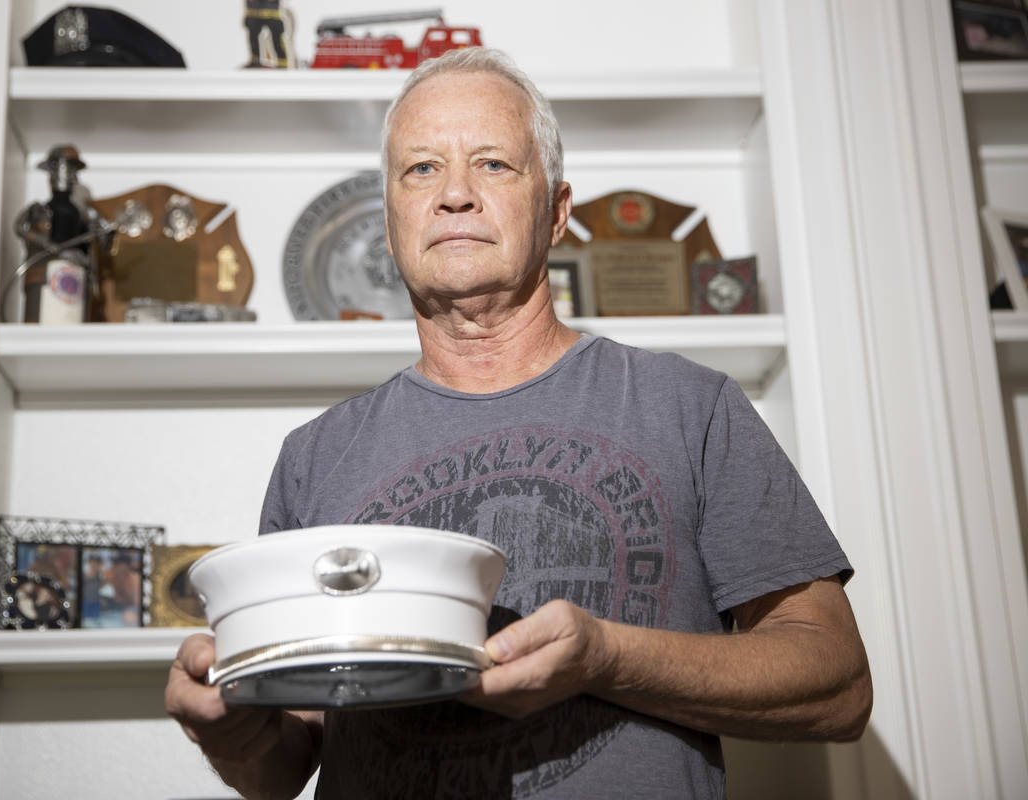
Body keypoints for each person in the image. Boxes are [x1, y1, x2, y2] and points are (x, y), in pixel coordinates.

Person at [165, 47, 872, 799]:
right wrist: (230, 733)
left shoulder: (690, 406)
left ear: (558, 211)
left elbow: (838, 686)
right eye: (421, 169)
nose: (455, 194)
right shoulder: (314, 456)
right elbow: (284, 764)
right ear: (391, 218)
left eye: (494, 164)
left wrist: (605, 657)